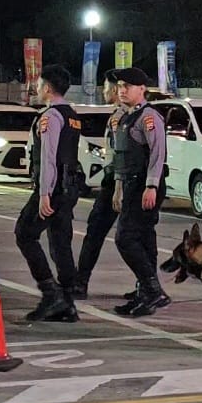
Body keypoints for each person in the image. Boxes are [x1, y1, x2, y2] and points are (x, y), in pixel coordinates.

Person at [14, 64, 82, 322]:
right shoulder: (73, 115)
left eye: (40, 85)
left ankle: (50, 293)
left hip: (53, 188)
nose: (38, 89)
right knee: (60, 242)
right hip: (69, 187)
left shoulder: (50, 117)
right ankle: (68, 303)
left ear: (48, 88)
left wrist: (44, 193)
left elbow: (49, 158)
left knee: (24, 234)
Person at [110, 67, 171, 317]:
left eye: (127, 86)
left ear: (142, 89)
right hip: (131, 184)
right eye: (120, 86)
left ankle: (153, 290)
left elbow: (158, 153)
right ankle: (144, 294)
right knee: (145, 240)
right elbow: (120, 156)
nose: (122, 90)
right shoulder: (126, 117)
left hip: (144, 185)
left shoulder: (149, 117)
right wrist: (117, 187)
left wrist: (152, 185)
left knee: (125, 238)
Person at [71, 71, 129, 300]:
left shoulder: (119, 118)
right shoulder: (119, 115)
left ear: (115, 90)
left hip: (116, 183)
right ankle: (146, 286)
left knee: (97, 232)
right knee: (136, 237)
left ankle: (81, 281)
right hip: (119, 181)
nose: (102, 91)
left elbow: (118, 156)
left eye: (105, 87)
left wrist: (117, 188)